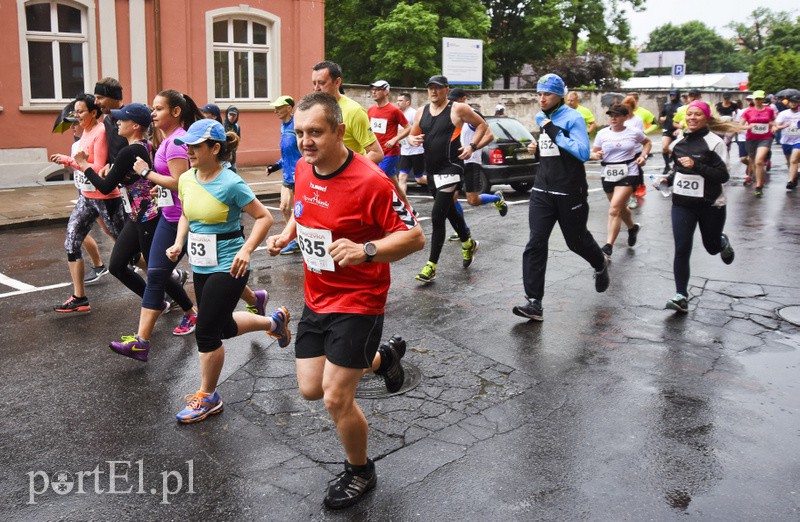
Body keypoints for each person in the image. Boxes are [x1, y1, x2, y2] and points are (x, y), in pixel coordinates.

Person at [265, 92, 425, 509]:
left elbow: (414, 237)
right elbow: (302, 210)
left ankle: (360, 470)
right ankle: (382, 358)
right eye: (300, 132)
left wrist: (366, 249)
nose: (305, 141)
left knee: (336, 398)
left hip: (359, 300)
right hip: (317, 298)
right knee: (310, 389)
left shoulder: (372, 180)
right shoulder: (303, 168)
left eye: (315, 132)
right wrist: (288, 233)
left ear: (339, 131)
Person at [166, 119, 290, 423]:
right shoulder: (187, 179)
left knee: (206, 332)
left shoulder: (231, 182)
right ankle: (272, 323)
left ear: (215, 148)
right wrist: (179, 241)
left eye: (196, 146)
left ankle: (208, 396)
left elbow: (263, 217)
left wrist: (247, 251)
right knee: (219, 327)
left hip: (230, 263)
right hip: (201, 263)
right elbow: (186, 214)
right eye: (187, 146)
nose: (190, 151)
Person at [74, 104, 191, 347]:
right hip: (136, 217)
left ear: (135, 125)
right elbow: (120, 178)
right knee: (117, 265)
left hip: (148, 217)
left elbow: (105, 188)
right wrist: (110, 172)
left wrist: (84, 165)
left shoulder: (132, 151)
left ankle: (190, 311)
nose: (116, 123)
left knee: (156, 271)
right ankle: (159, 303)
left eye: (121, 120)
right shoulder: (139, 148)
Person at [512, 74, 609, 322]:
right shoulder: (540, 117)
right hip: (542, 190)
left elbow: (582, 152)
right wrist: (538, 147)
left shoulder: (573, 117)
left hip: (569, 191)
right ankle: (534, 302)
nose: (541, 99)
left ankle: (600, 264)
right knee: (535, 242)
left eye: (547, 94)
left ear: (559, 96)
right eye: (539, 94)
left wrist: (552, 131)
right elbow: (551, 151)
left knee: (575, 241)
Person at [125, 90, 202, 349]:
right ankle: (141, 342)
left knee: (217, 273)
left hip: (188, 219)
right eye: (153, 109)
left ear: (176, 112)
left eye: (158, 109)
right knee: (156, 276)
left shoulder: (178, 141)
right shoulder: (169, 139)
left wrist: (146, 172)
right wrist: (161, 187)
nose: (153, 113)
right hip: (169, 218)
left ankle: (253, 296)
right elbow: (175, 182)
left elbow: (181, 181)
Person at [656, 101, 736, 313]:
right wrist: (668, 180)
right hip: (682, 204)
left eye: (697, 114)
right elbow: (679, 171)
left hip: (711, 204)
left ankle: (721, 241)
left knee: (711, 247)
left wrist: (697, 165)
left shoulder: (715, 143)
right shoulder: (678, 143)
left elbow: (723, 175)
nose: (692, 117)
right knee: (682, 248)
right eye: (689, 114)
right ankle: (681, 295)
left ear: (706, 117)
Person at [408, 75, 488, 283]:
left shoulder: (457, 109)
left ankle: (431, 265)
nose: (433, 92)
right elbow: (412, 134)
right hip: (432, 171)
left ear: (446, 89)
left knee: (437, 216)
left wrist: (472, 146)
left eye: (438, 88)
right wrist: (411, 138)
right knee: (450, 211)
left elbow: (482, 126)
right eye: (430, 88)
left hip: (452, 168)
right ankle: (468, 242)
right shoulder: (421, 112)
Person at [50, 93, 125, 313]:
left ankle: (169, 281)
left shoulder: (100, 132)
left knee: (126, 249)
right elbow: (84, 164)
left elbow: (97, 164)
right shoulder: (84, 133)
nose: (77, 116)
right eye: (76, 111)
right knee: (72, 240)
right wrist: (74, 162)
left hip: (106, 199)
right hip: (87, 197)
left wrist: (68, 160)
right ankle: (79, 297)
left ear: (94, 113)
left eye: (81, 111)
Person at [590, 104, 650, 257]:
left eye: (617, 115)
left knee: (614, 209)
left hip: (629, 172)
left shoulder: (634, 132)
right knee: (621, 208)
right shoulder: (602, 134)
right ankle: (632, 228)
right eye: (611, 115)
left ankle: (608, 245)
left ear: (625, 117)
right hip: (608, 173)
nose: (613, 118)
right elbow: (594, 152)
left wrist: (643, 156)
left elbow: (647, 143)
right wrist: (596, 155)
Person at [311, 60, 383, 165]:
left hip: (346, 178)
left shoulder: (354, 111)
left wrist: (350, 170)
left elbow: (376, 153)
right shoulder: (313, 108)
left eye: (322, 83)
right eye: (314, 83)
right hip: (322, 175)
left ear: (337, 82)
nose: (316, 88)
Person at [447, 88, 506, 215]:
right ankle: (463, 231)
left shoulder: (473, 114)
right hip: (456, 161)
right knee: (451, 197)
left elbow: (489, 136)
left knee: (472, 200)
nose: (454, 104)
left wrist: (472, 148)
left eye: (456, 101)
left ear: (463, 99)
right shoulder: (453, 115)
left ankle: (497, 198)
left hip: (471, 161)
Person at [367, 80, 415, 212]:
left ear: (386, 91)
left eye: (377, 89)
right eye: (373, 89)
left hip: (390, 153)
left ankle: (385, 212)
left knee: (378, 181)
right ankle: (409, 208)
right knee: (395, 184)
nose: (374, 91)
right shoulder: (371, 110)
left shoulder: (394, 110)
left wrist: (395, 139)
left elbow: (408, 128)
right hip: (377, 153)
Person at [266, 95, 303, 254]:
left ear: (289, 108)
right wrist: (275, 166)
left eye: (279, 107)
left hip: (299, 175)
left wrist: (304, 170)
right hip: (287, 175)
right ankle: (296, 240)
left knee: (301, 211)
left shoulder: (298, 125)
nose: (276, 111)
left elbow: (303, 151)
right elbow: (287, 154)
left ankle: (302, 239)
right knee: (284, 207)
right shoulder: (283, 126)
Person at [741, 90, 777, 197]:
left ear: (763, 99)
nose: (758, 101)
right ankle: (755, 178)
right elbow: (740, 125)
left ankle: (758, 185)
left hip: (765, 138)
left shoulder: (769, 110)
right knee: (752, 161)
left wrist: (774, 126)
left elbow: (772, 121)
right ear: (753, 99)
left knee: (759, 160)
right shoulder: (748, 111)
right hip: (751, 139)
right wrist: (748, 127)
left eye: (760, 99)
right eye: (756, 99)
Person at [396, 92, 426, 192]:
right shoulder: (399, 114)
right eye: (397, 100)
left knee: (419, 178)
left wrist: (407, 133)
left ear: (407, 102)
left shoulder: (413, 113)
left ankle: (438, 184)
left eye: (400, 101)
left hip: (417, 151)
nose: (398, 103)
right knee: (402, 177)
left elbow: (421, 129)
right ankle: (403, 203)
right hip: (405, 151)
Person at [774, 94, 800, 191]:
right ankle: (794, 177)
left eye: (795, 102)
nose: (793, 104)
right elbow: (777, 126)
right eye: (792, 102)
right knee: (789, 161)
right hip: (786, 141)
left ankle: (790, 181)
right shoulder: (784, 114)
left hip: (798, 141)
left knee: (794, 160)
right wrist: (784, 126)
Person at [659, 90, 682, 174]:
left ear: (678, 95)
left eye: (674, 95)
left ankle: (676, 165)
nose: (672, 96)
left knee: (677, 150)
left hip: (678, 130)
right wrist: (662, 118)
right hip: (667, 129)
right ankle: (667, 166)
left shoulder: (681, 106)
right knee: (665, 147)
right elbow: (661, 116)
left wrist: (680, 128)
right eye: (671, 95)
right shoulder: (666, 105)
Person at [224, 106, 241, 172]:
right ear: (227, 114)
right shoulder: (222, 125)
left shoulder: (237, 126)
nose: (232, 117)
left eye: (234, 115)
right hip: (223, 158)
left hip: (232, 158)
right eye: (230, 114)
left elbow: (238, 139)